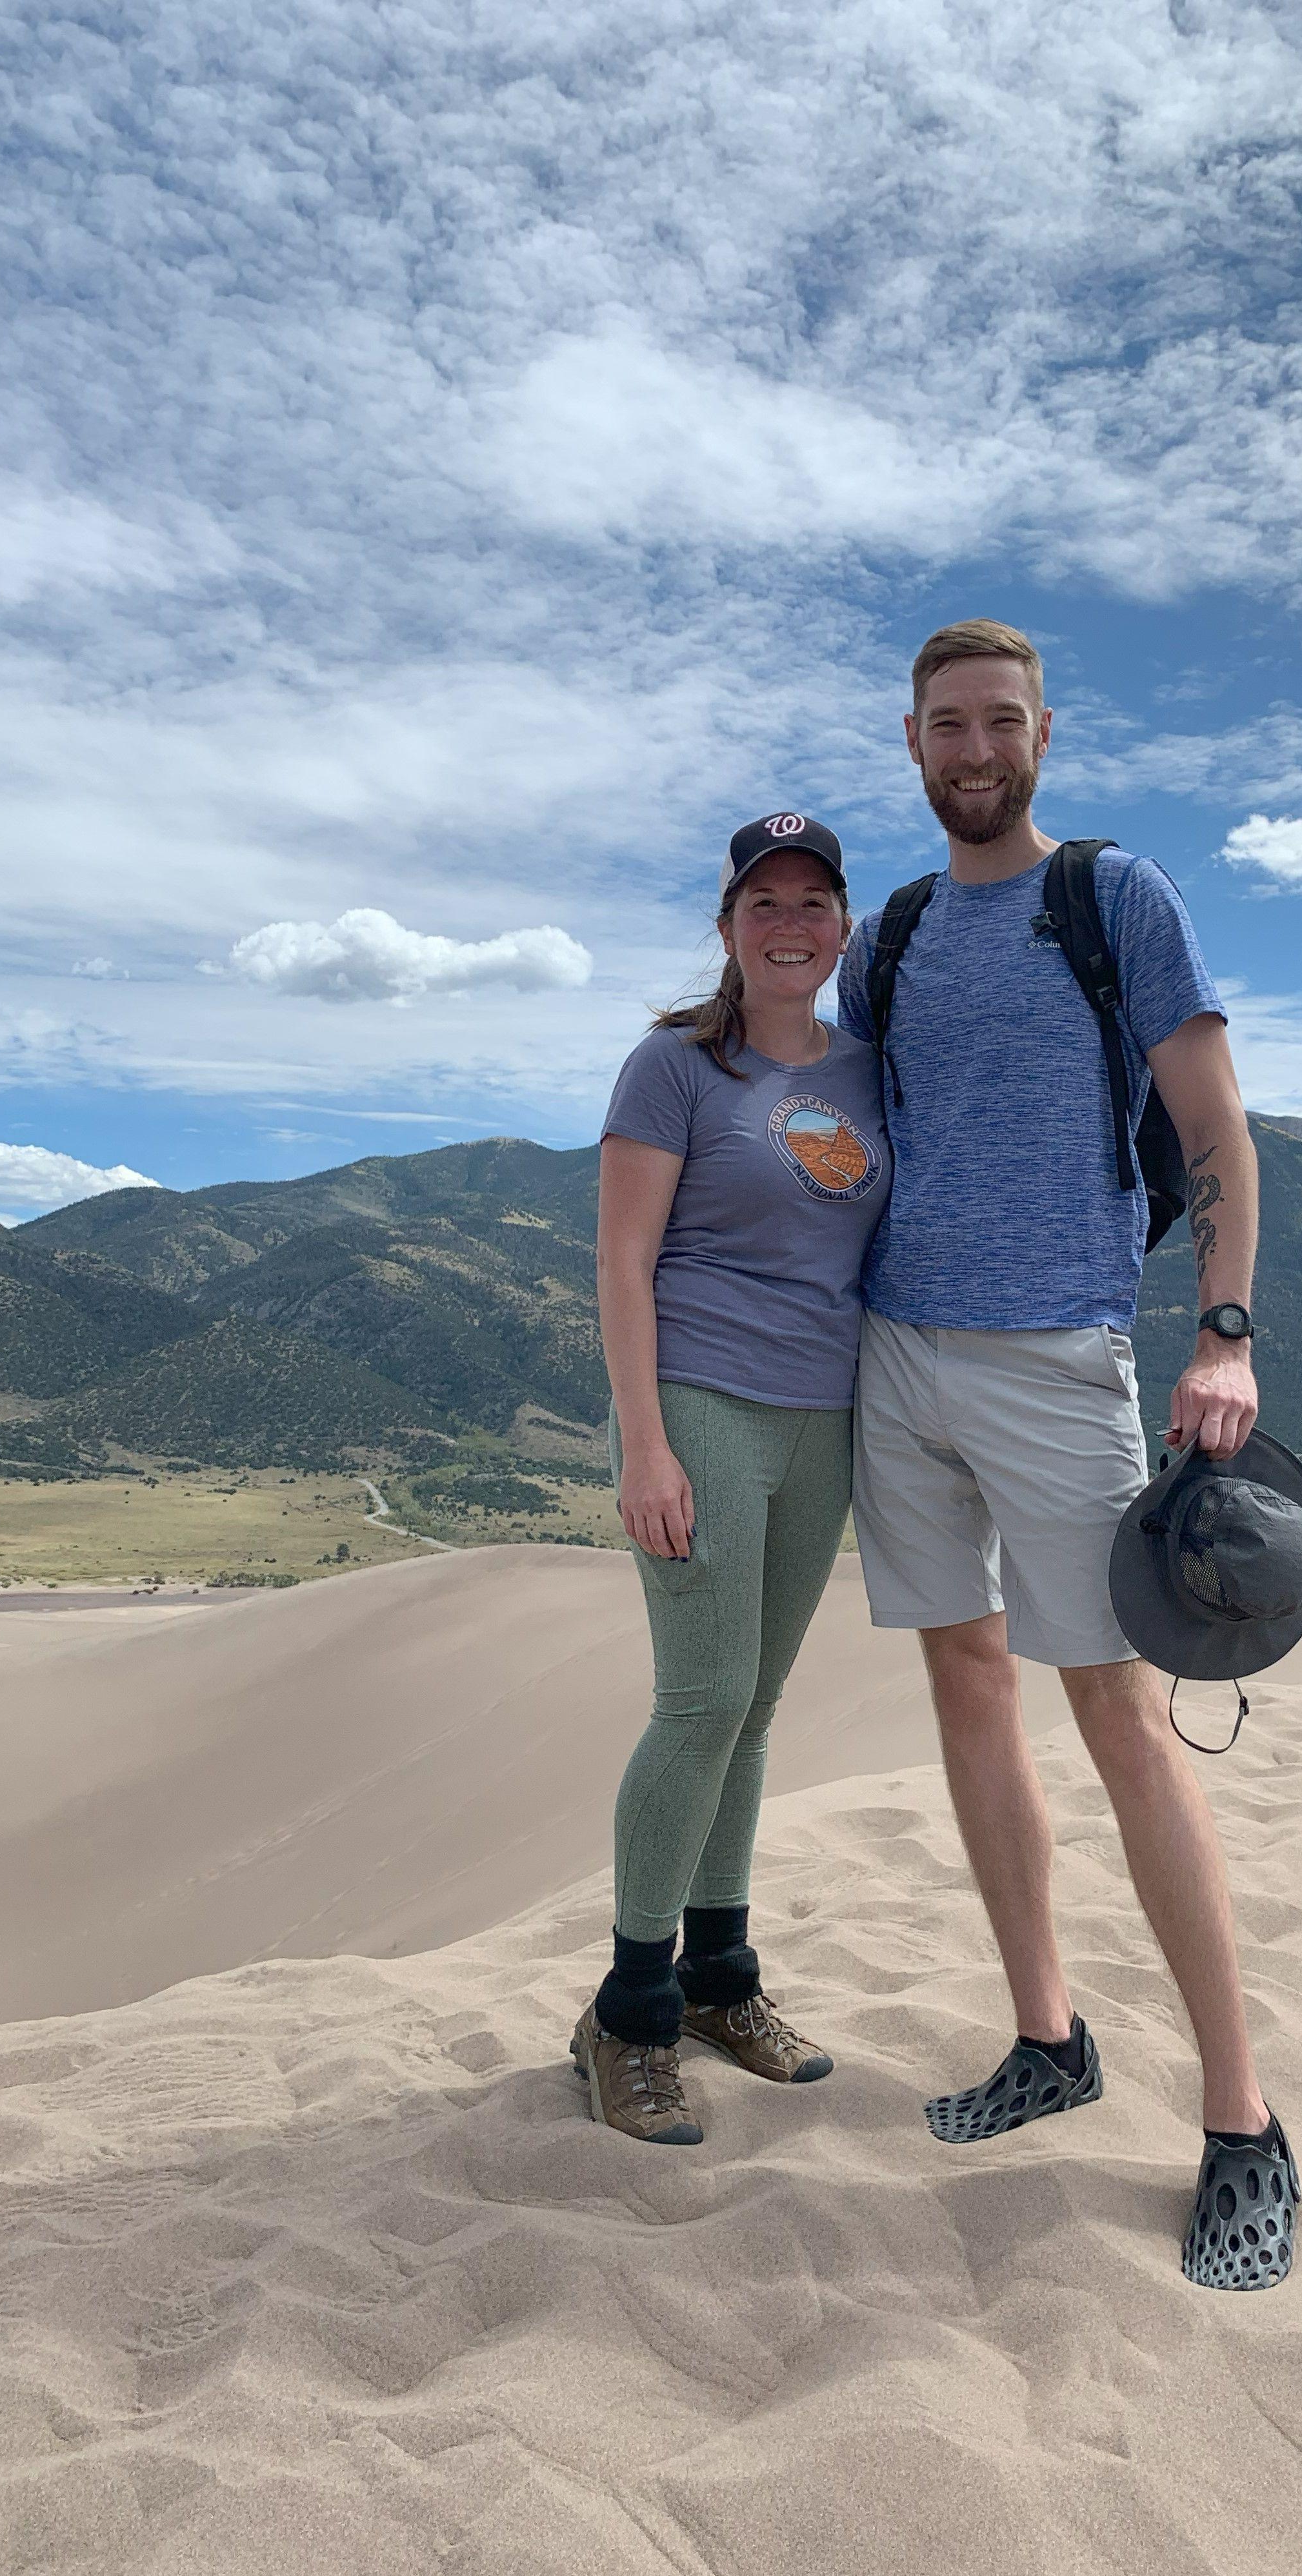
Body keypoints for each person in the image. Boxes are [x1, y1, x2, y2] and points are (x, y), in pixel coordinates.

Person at [835, 617, 1302, 2288]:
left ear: (1047, 734)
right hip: (900, 1360)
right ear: (910, 742)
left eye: (1001, 723)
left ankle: (1245, 2122)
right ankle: (1051, 2035)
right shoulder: (886, 938)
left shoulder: (1114, 901)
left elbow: (1216, 1130)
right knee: (967, 1687)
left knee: (1117, 1714)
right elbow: (865, 1141)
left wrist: (1225, 1333)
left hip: (1060, 1359)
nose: (975, 750)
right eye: (948, 726)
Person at [572, 814, 890, 2142]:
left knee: (754, 1710)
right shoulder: (674, 1069)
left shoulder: (875, 1073)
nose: (790, 923)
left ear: (840, 928)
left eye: (814, 902)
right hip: (702, 1402)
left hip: (827, 1420)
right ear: (726, 927)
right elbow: (624, 1265)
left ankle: (720, 1979)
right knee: (700, 1702)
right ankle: (628, 2014)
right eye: (765, 901)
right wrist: (646, 1444)